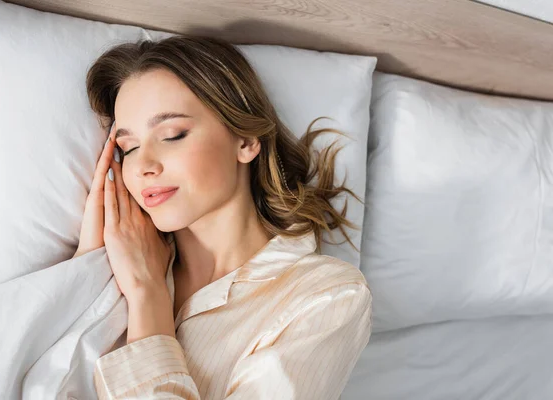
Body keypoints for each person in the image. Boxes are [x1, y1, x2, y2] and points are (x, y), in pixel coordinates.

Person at [75, 34, 372, 399]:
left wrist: (148, 298)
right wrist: (87, 266)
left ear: (245, 140)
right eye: (129, 147)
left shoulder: (326, 296)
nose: (143, 166)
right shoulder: (116, 259)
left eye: (172, 135)